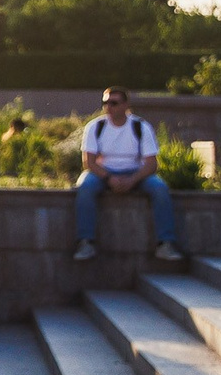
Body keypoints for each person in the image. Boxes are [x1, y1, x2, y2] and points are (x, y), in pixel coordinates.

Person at [71, 87, 182, 263]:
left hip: (136, 172)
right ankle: (85, 242)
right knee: (85, 187)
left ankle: (165, 243)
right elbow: (89, 162)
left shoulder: (140, 127)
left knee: (160, 188)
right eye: (105, 103)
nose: (108, 107)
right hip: (103, 172)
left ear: (125, 105)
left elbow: (151, 164)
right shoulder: (95, 127)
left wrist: (132, 180)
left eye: (113, 103)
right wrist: (109, 178)